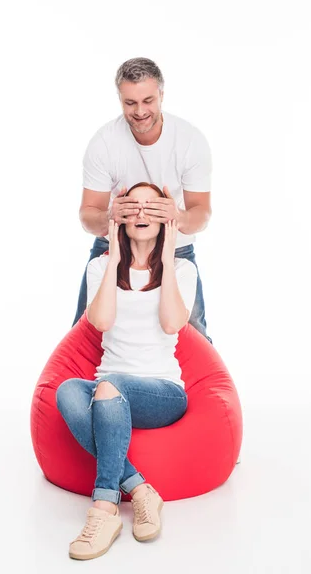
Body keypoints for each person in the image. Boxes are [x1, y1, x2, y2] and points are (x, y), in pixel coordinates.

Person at [56, 182, 198, 560]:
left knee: (109, 384)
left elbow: (172, 324)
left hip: (162, 392)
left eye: (152, 208)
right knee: (68, 390)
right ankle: (140, 490)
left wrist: (167, 258)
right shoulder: (100, 267)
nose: (140, 214)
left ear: (165, 219)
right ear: (118, 216)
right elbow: (100, 321)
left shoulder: (182, 270)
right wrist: (114, 252)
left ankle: (104, 508)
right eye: (132, 206)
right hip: (109, 390)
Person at [72, 56, 212, 342]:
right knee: (82, 332)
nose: (140, 111)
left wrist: (179, 216)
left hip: (174, 246)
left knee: (194, 333)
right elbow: (88, 215)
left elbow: (202, 214)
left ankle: (190, 388)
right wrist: (110, 216)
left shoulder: (189, 141)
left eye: (148, 100)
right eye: (130, 103)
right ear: (120, 99)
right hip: (115, 242)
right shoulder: (105, 143)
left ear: (161, 94)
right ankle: (80, 386)